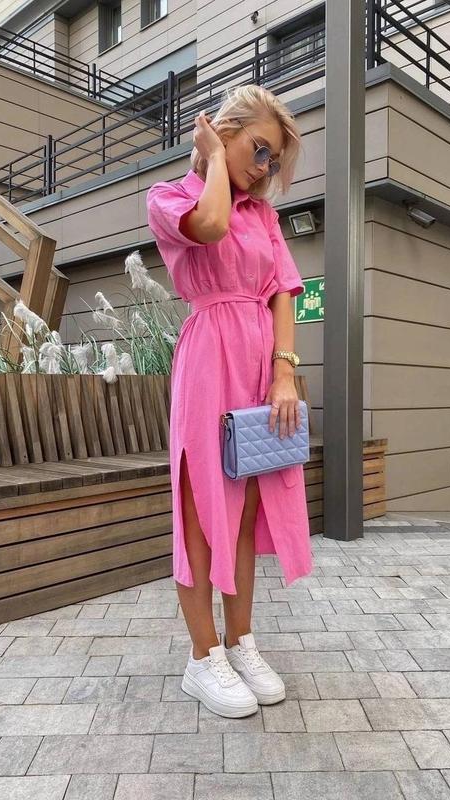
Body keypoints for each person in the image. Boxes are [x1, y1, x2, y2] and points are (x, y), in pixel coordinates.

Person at [146, 84, 313, 718]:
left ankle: (241, 641)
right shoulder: (170, 198)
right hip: (208, 355)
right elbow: (210, 225)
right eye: (259, 149)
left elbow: (283, 292)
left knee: (243, 514)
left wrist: (284, 372)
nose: (264, 167)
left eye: (273, 159)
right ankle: (203, 655)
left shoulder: (264, 217)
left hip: (259, 360)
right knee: (199, 513)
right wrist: (214, 158)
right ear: (225, 130)